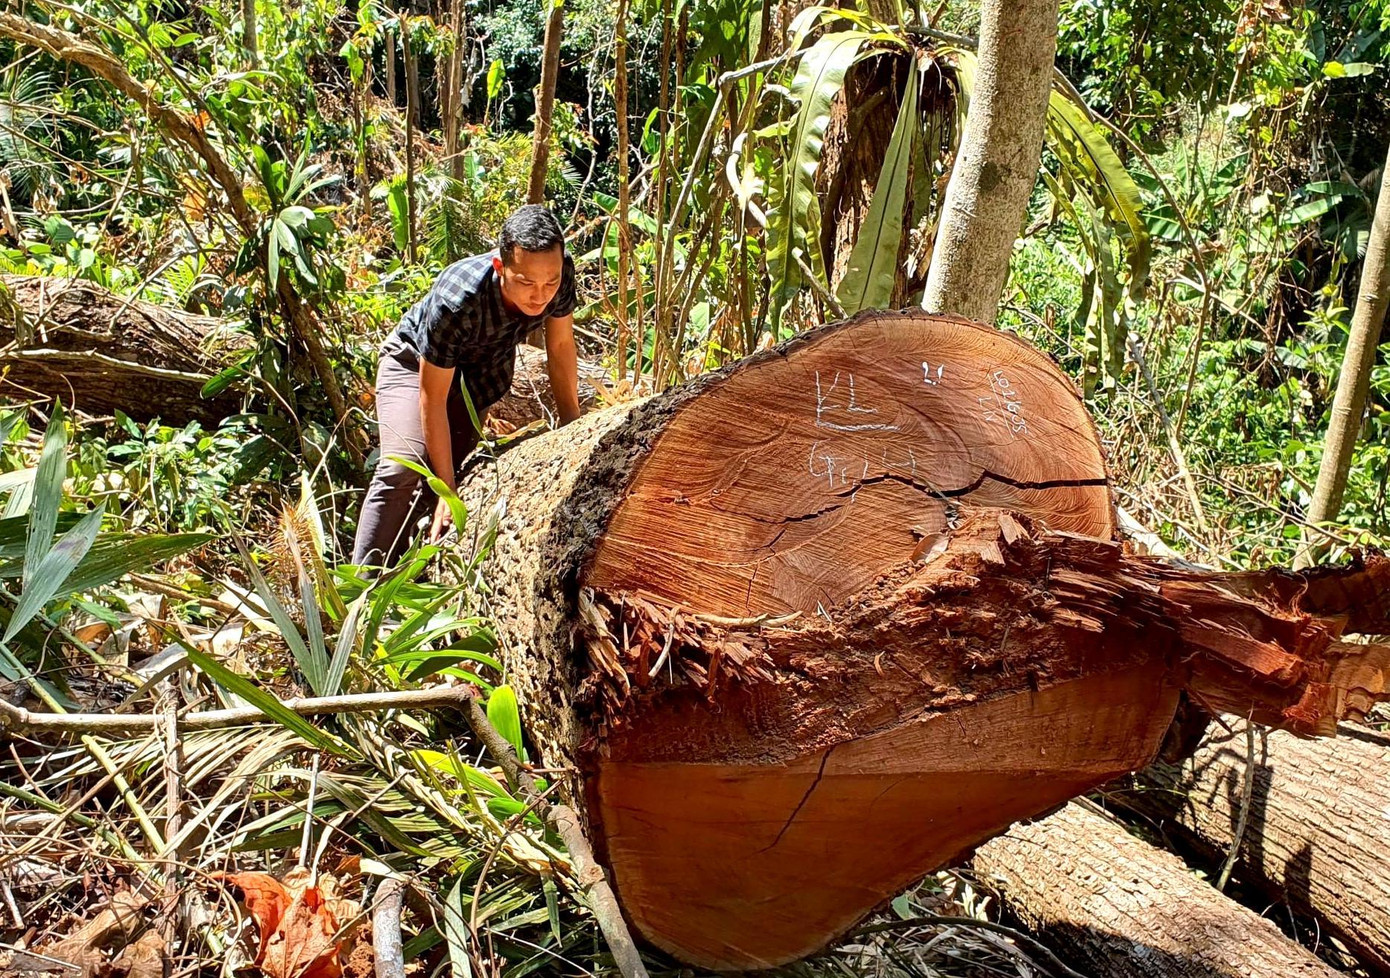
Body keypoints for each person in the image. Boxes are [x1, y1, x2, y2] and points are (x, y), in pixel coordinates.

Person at [352, 205, 582, 568]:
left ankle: (409, 570)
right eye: (526, 283)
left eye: (549, 283)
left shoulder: (560, 272)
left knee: (449, 475)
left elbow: (561, 345)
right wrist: (446, 490)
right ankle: (361, 583)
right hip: (413, 365)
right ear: (500, 267)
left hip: (478, 377)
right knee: (403, 467)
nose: (540, 295)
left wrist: (573, 425)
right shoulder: (458, 299)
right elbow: (432, 398)